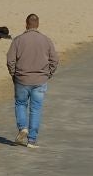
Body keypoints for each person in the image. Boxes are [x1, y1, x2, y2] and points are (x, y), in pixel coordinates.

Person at [5, 13, 57, 148]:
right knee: (36, 109)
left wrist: (13, 74)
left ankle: (22, 127)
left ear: (26, 24)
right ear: (38, 24)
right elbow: (54, 60)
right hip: (40, 80)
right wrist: (48, 74)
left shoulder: (18, 40)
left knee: (21, 104)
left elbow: (10, 60)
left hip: (22, 79)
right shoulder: (46, 40)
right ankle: (32, 140)